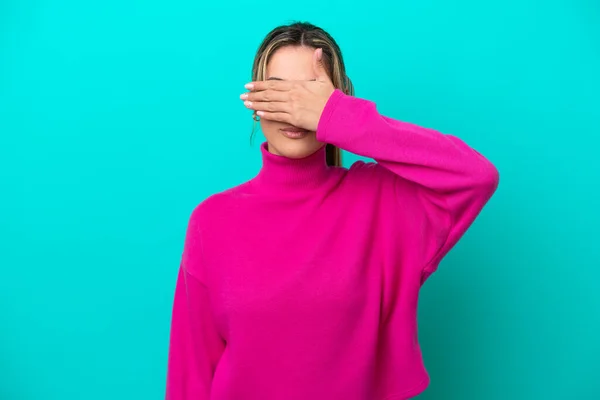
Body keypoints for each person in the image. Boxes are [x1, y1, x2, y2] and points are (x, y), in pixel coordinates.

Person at [166, 22, 499, 400]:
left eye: (309, 93)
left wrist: (337, 117)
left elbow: (475, 176)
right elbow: (190, 373)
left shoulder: (381, 203)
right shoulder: (212, 221)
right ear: (256, 105)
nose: (294, 109)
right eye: (278, 91)